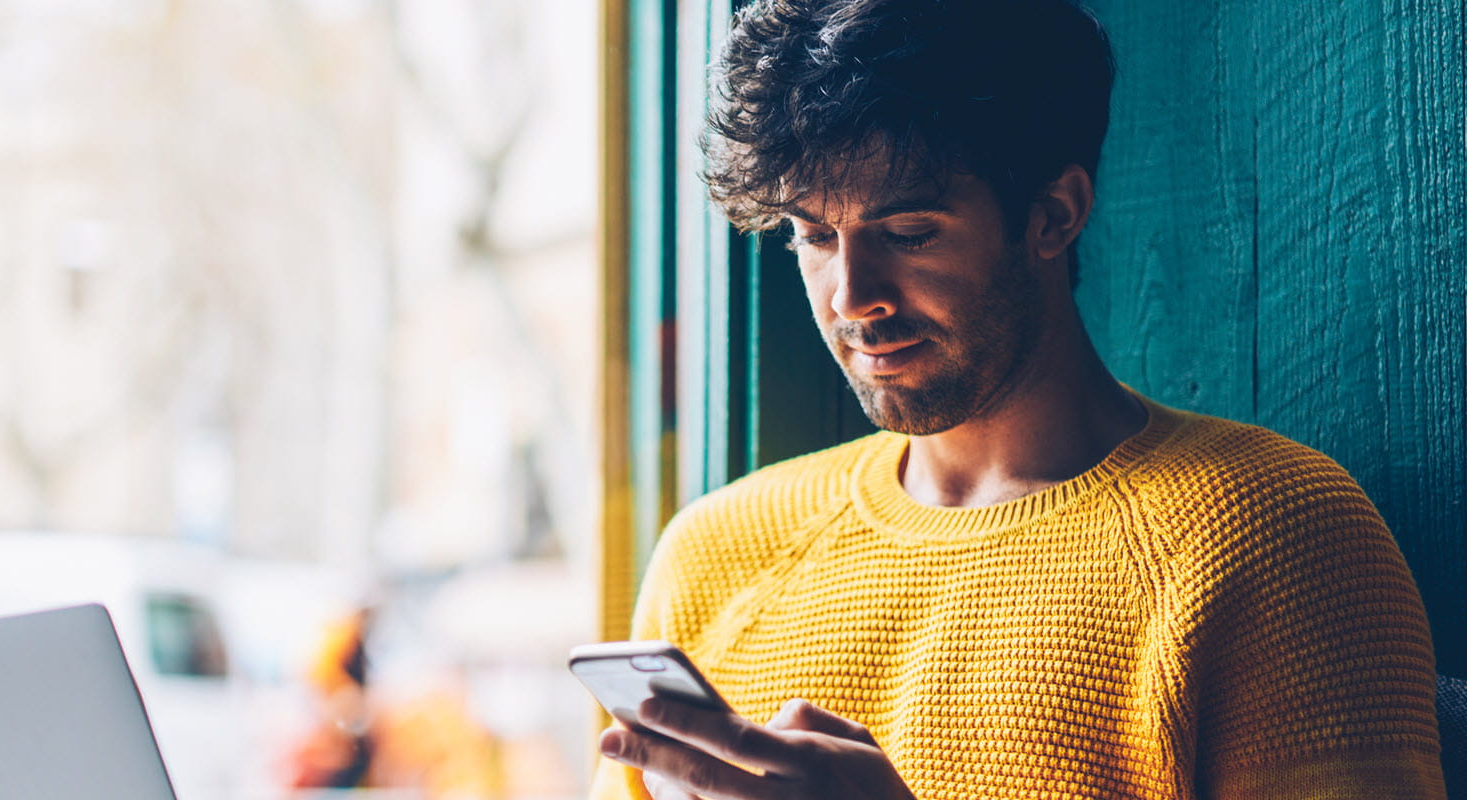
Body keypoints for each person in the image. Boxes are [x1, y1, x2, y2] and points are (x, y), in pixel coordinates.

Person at [590, 0, 1445, 798]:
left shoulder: (1272, 538)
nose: (852, 297)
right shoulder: (716, 553)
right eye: (816, 236)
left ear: (1053, 214)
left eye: (910, 233)